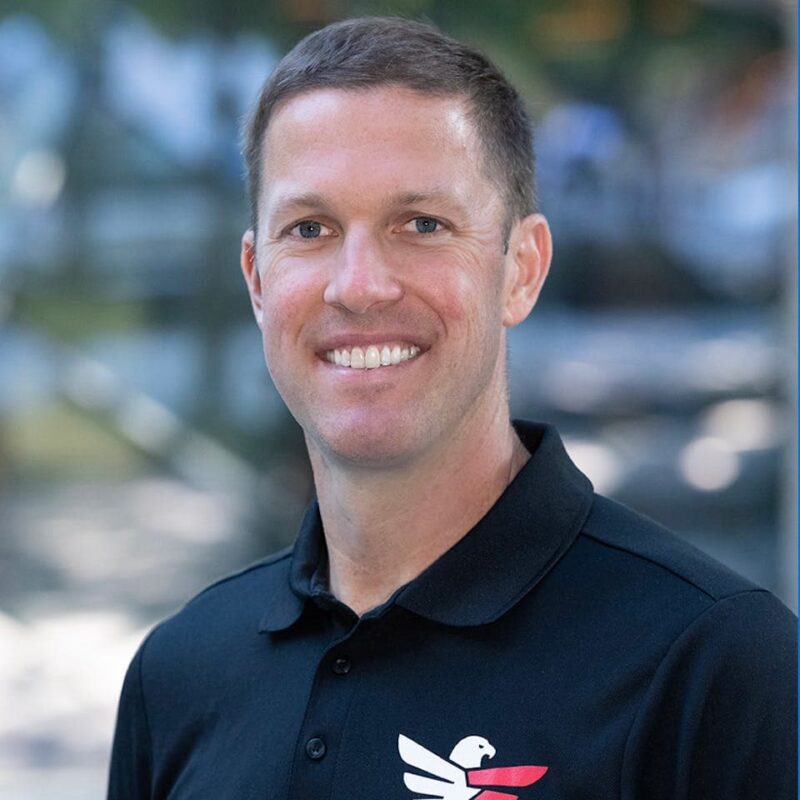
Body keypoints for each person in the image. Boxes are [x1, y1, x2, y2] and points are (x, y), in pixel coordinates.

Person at [107, 17, 796, 800]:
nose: (359, 284)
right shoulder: (178, 672)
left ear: (521, 270)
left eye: (423, 224)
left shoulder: (711, 665)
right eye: (310, 228)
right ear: (257, 279)